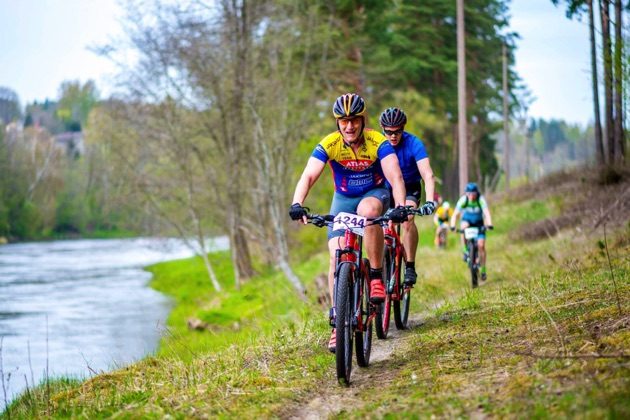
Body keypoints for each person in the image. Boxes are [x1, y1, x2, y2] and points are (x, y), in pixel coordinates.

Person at [289, 93, 407, 352]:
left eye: (354, 120)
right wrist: (297, 204)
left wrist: (399, 207)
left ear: (363, 120)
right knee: (336, 256)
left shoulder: (377, 141)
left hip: (374, 194)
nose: (349, 126)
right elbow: (308, 176)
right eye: (343, 121)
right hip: (342, 199)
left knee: (367, 212)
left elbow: (395, 176)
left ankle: (376, 275)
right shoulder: (330, 144)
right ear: (337, 123)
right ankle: (337, 323)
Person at [378, 107, 436, 285]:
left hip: (410, 187)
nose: (393, 136)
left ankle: (409, 266)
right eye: (388, 132)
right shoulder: (378, 143)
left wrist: (430, 201)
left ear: (403, 128)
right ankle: (380, 266)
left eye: (397, 132)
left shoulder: (414, 143)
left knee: (408, 218)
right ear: (382, 129)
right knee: (381, 225)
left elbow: (428, 174)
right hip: (386, 188)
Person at [449, 182, 494, 280]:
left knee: (481, 246)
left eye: (473, 194)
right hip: (467, 221)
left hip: (479, 223)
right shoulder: (463, 200)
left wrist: (489, 224)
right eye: (469, 194)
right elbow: (455, 214)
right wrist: (452, 225)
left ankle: (483, 270)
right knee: (463, 228)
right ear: (466, 193)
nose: (471, 196)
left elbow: (486, 213)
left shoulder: (480, 200)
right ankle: (465, 250)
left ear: (476, 193)